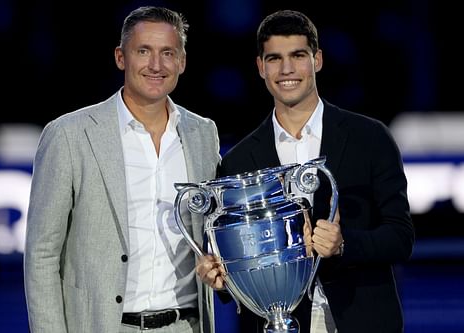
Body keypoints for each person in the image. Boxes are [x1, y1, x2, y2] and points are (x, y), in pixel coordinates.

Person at [198, 9, 414, 333]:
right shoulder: (239, 161)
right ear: (260, 67)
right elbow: (239, 265)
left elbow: (401, 237)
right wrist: (221, 279)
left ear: (318, 60)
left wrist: (344, 244)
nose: (286, 69)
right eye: (274, 58)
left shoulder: (369, 138)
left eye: (298, 55)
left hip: (361, 320)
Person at [24, 6, 221, 333]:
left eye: (167, 53)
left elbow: (213, 230)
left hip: (186, 325)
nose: (156, 65)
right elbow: (42, 255)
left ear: (182, 62)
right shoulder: (70, 134)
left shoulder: (202, 134)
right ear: (120, 57)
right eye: (143, 51)